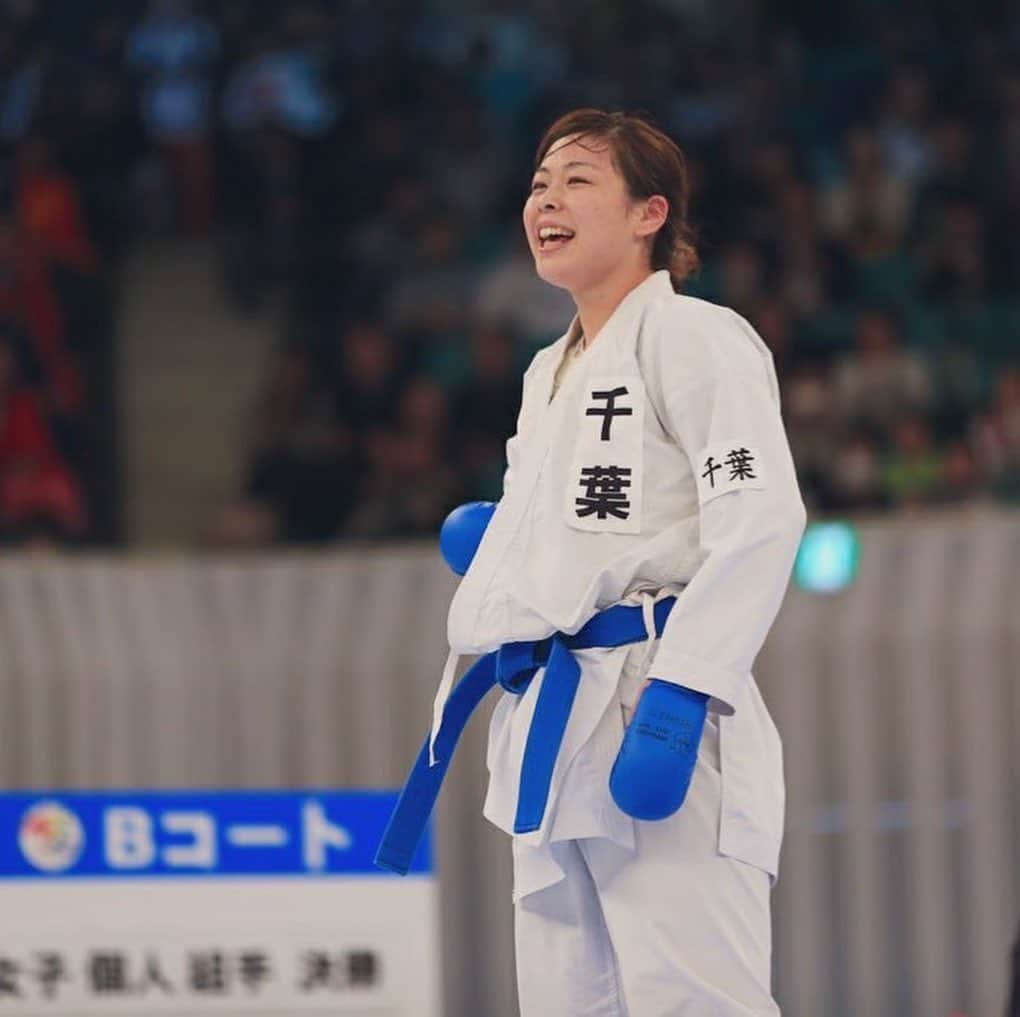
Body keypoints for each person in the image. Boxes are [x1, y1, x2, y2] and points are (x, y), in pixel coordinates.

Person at [383, 108, 806, 1015]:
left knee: (694, 997)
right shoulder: (547, 372)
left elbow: (761, 514)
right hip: (553, 707)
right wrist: (510, 549)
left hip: (655, 691)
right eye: (539, 182)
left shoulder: (696, 336)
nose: (547, 199)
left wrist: (687, 686)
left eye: (577, 180)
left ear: (650, 213)